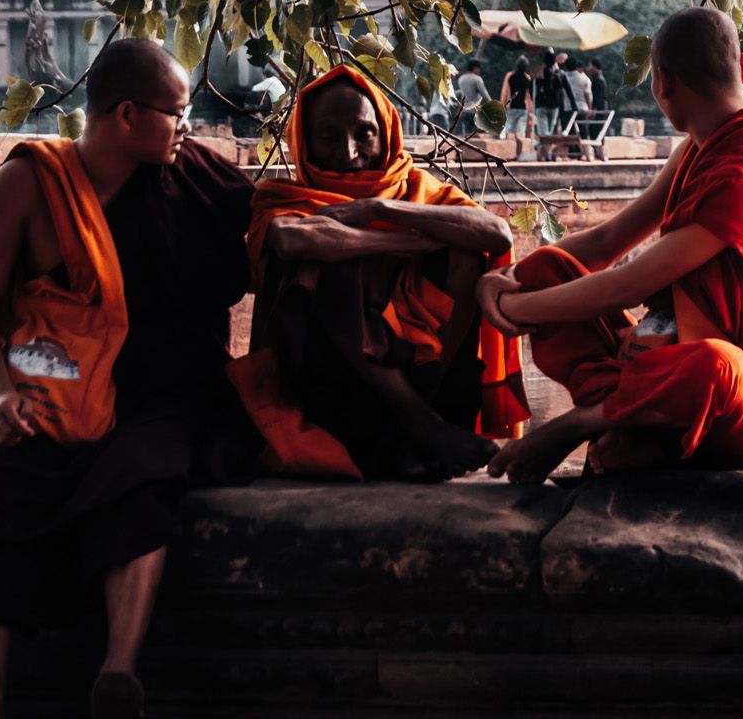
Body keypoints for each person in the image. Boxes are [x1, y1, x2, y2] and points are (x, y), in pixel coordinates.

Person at [0, 40, 255, 719]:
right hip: (57, 393)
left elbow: (270, 223)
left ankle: (118, 671)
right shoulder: (30, 184)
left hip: (158, 395)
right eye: (176, 113)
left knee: (144, 483)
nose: (188, 128)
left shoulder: (187, 175)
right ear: (126, 113)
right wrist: (2, 393)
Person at [479, 7, 743, 486]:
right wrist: (513, 281)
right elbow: (608, 241)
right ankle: (639, 423)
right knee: (551, 264)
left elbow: (631, 285)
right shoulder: (697, 149)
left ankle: (589, 420)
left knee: (717, 365)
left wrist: (513, 307)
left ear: (662, 84)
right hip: (660, 363)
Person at [227, 65, 529, 482]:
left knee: (464, 252)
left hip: (429, 373)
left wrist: (378, 209)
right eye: (330, 136)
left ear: (386, 132)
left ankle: (419, 418)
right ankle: (420, 424)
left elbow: (495, 233)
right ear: (306, 142)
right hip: (331, 381)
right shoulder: (286, 197)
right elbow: (291, 240)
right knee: (327, 259)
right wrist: (403, 242)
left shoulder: (418, 191)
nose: (349, 153)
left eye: (364, 133)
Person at [534, 54, 570, 137]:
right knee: (548, 131)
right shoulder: (558, 74)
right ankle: (545, 146)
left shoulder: (542, 73)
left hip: (551, 105)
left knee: (547, 131)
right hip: (551, 105)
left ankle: (544, 146)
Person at [500, 56, 534, 138]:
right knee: (520, 131)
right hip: (523, 108)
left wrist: (502, 105)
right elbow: (529, 96)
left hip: (512, 107)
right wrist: (531, 111)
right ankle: (520, 148)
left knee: (509, 130)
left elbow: (504, 92)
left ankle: (509, 147)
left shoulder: (510, 76)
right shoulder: (527, 78)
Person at [455, 59, 489, 133]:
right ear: (475, 68)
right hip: (475, 112)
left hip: (464, 111)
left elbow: (462, 96)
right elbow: (485, 96)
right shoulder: (477, 79)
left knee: (467, 135)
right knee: (478, 135)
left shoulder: (461, 79)